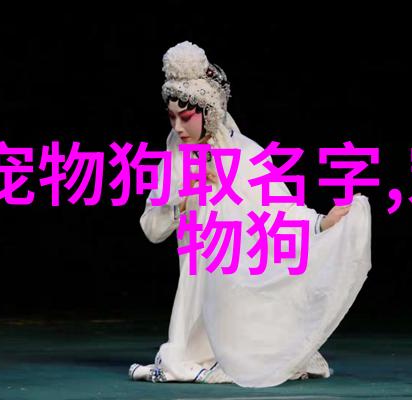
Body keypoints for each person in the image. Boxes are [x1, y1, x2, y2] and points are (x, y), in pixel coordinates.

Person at [129, 41, 372, 388]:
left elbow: (279, 211)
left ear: (208, 113)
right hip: (198, 281)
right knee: (195, 344)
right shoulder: (174, 164)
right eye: (172, 117)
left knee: (255, 342)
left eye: (186, 117)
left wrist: (322, 223)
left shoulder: (246, 155)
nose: (178, 127)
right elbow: (152, 228)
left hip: (241, 275)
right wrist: (184, 198)